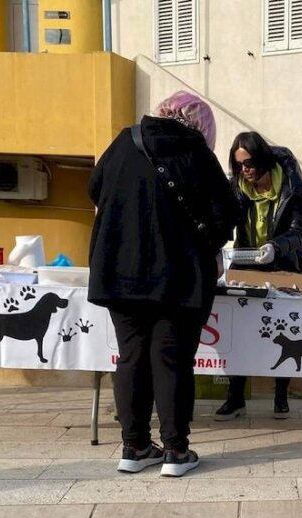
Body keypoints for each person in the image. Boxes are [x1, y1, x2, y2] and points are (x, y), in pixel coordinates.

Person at [88, 91, 239, 477]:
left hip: (119, 271)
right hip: (179, 275)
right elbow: (225, 214)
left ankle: (134, 447)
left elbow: (94, 188)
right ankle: (175, 451)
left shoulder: (124, 142)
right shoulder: (195, 152)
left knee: (131, 357)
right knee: (171, 361)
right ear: (203, 125)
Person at [215, 131, 302, 421]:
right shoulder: (238, 187)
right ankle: (235, 397)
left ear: (263, 160)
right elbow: (225, 222)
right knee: (239, 328)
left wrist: (276, 246)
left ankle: (280, 395)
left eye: (249, 163)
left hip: (286, 261)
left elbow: (299, 231)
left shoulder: (290, 185)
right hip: (247, 261)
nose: (245, 170)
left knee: (284, 328)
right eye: (239, 165)